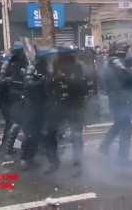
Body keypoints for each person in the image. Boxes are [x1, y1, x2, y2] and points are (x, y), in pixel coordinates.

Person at [41, 46, 89, 174]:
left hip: (74, 105)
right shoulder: (54, 68)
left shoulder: (78, 68)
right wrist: (54, 81)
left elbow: (84, 88)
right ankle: (53, 162)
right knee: (49, 133)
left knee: (76, 134)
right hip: (57, 105)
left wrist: (70, 82)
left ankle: (77, 162)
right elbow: (47, 87)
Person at [99, 44, 132, 167]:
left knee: (119, 124)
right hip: (121, 99)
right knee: (126, 128)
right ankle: (122, 158)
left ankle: (104, 146)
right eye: (125, 51)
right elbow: (127, 76)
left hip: (116, 99)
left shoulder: (111, 62)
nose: (127, 53)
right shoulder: (116, 62)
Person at [0, 42, 27, 160]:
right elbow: (0, 81)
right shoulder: (7, 63)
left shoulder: (22, 63)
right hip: (9, 99)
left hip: (19, 97)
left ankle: (7, 148)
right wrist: (10, 81)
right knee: (13, 124)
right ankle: (6, 149)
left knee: (15, 123)